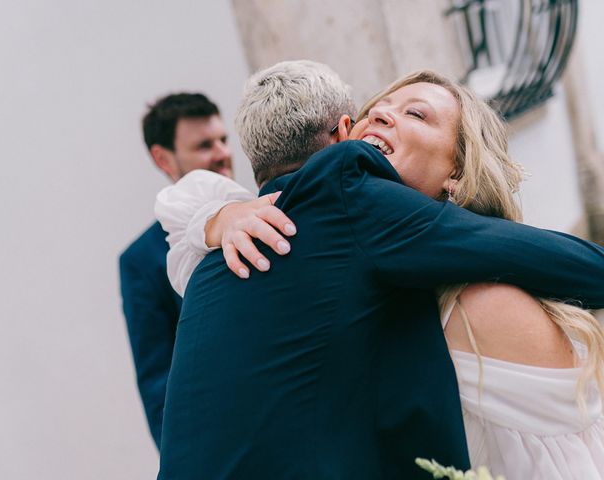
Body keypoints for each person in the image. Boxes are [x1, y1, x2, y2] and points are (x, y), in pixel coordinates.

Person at [155, 61, 604, 479]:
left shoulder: (239, 246)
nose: (384, 117)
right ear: (345, 136)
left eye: (417, 115)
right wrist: (217, 217)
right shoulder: (337, 189)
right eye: (376, 110)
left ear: (458, 172)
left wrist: (215, 218)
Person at [119, 92, 233, 449]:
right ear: (163, 158)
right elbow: (159, 384)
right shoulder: (142, 260)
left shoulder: (269, 207)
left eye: (223, 140)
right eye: (204, 145)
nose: (222, 153)